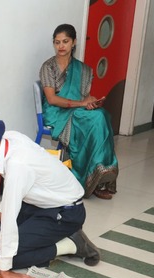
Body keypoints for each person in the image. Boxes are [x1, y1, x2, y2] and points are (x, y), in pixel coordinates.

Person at [0, 113, 101, 278]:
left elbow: (11, 215)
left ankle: (72, 244)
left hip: (65, 214)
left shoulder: (18, 164)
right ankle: (48, 237)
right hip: (38, 205)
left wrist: (5, 270)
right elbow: (12, 196)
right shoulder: (7, 139)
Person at [39, 23, 119, 200]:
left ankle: (99, 175)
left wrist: (89, 103)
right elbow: (52, 99)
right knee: (97, 120)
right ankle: (92, 176)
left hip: (76, 110)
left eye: (65, 41)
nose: (61, 46)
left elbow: (84, 97)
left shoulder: (82, 69)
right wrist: (82, 103)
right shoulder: (48, 67)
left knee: (101, 115)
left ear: (74, 42)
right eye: (57, 42)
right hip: (56, 112)